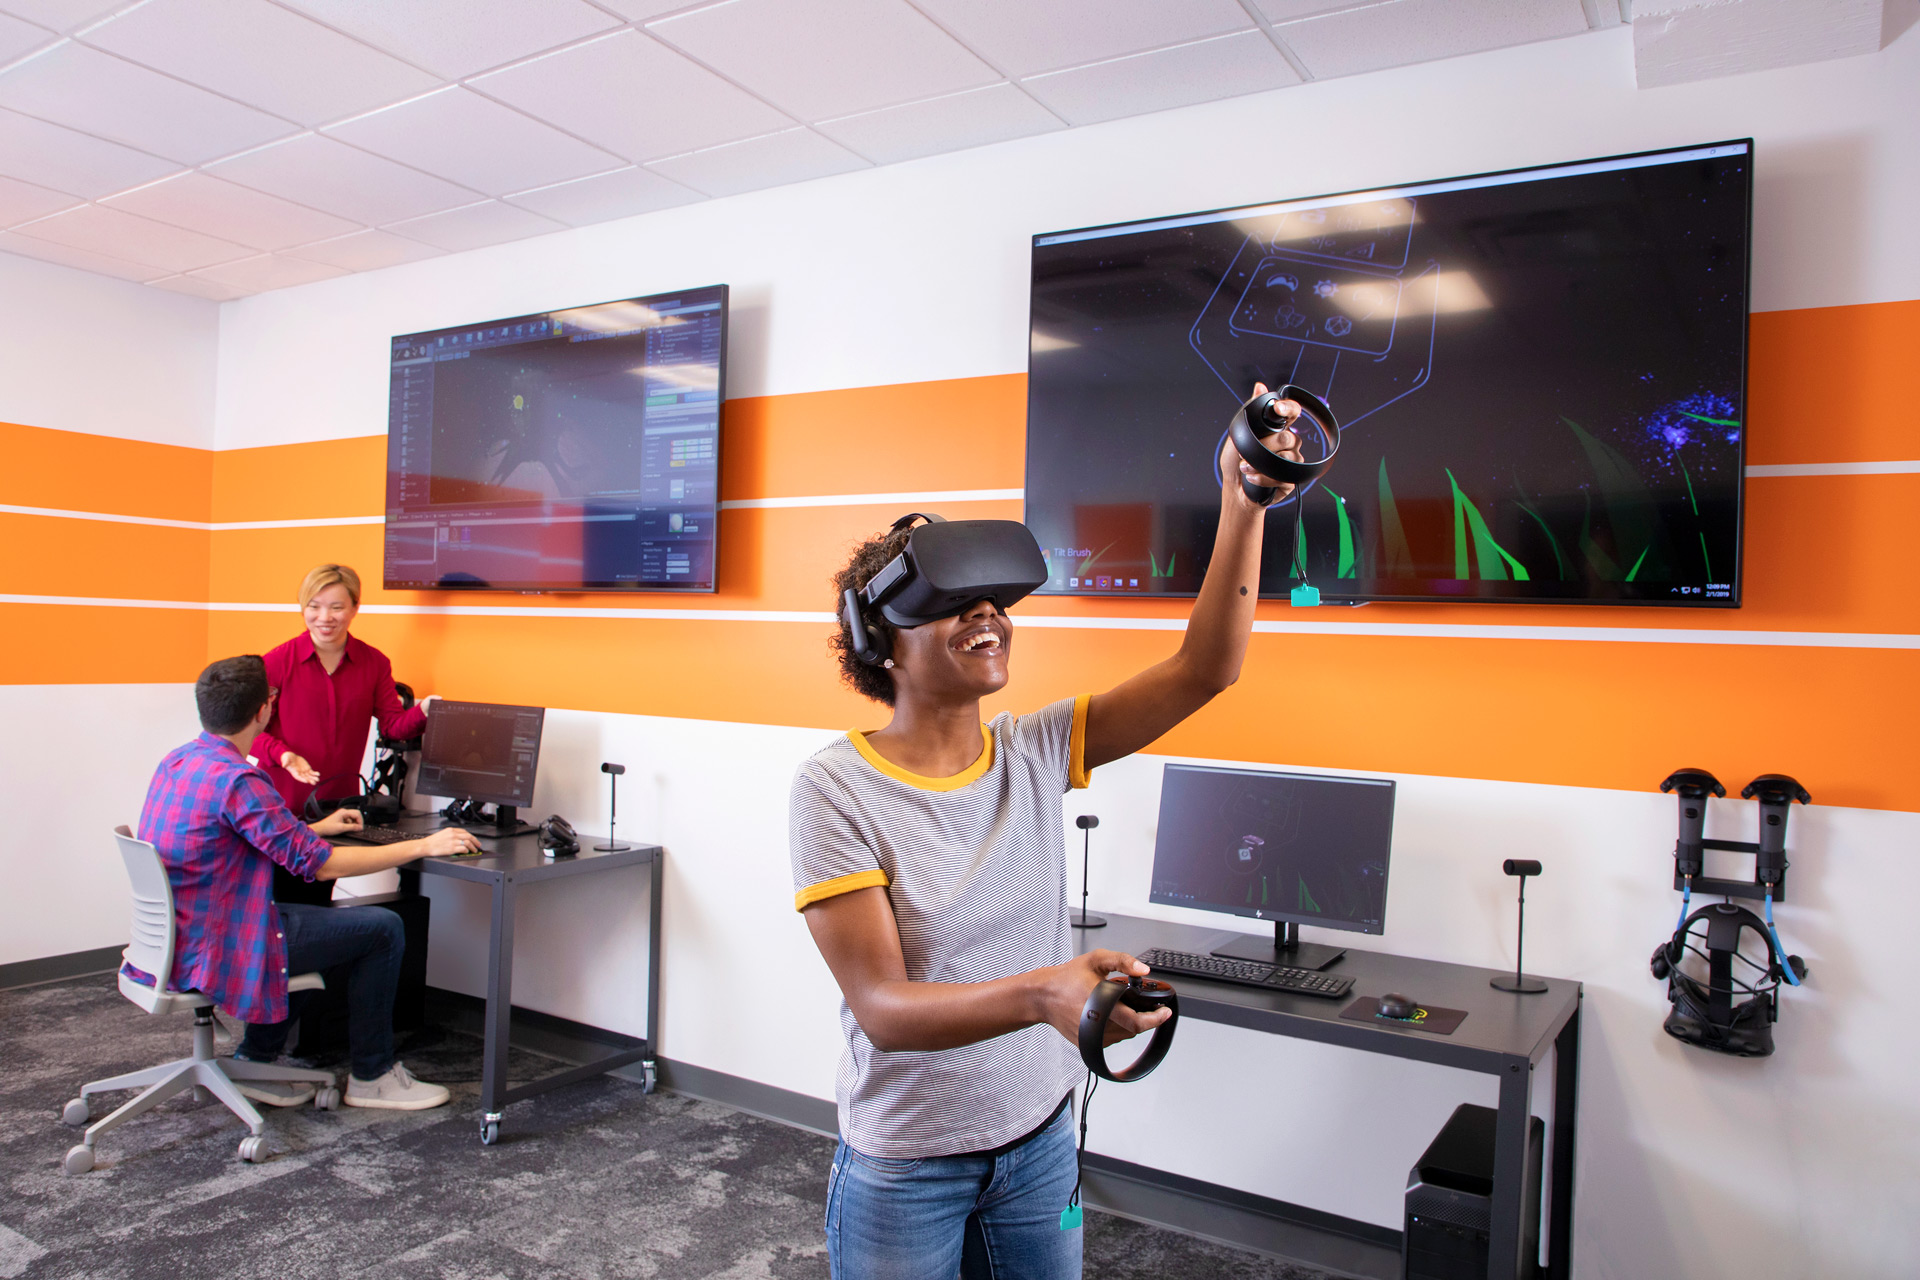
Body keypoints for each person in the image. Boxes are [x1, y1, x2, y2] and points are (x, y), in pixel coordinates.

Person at [791, 387, 1304, 1279]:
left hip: (1038, 1144)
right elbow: (883, 1010)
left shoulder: (1034, 749)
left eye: (993, 599)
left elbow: (1206, 667)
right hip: (908, 1163)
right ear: (879, 641)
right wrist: (1043, 995)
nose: (986, 616)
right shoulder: (835, 789)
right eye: (952, 603)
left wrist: (1240, 502)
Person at [131, 655, 480, 1110]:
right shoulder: (240, 780)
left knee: (296, 915)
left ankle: (256, 1058)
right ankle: (372, 1076)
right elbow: (322, 867)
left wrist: (315, 828)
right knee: (382, 928)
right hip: (222, 942)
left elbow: (235, 835)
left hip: (176, 938)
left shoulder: (179, 762)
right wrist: (424, 846)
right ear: (264, 710)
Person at [253, 563, 430, 907]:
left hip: (333, 812)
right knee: (275, 911)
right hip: (280, 808)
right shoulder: (275, 662)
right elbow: (251, 732)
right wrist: (284, 755)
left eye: (336, 607)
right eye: (314, 606)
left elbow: (393, 726)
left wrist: (423, 712)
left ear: (354, 609)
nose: (324, 617)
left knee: (316, 908)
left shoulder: (374, 663)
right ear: (302, 608)